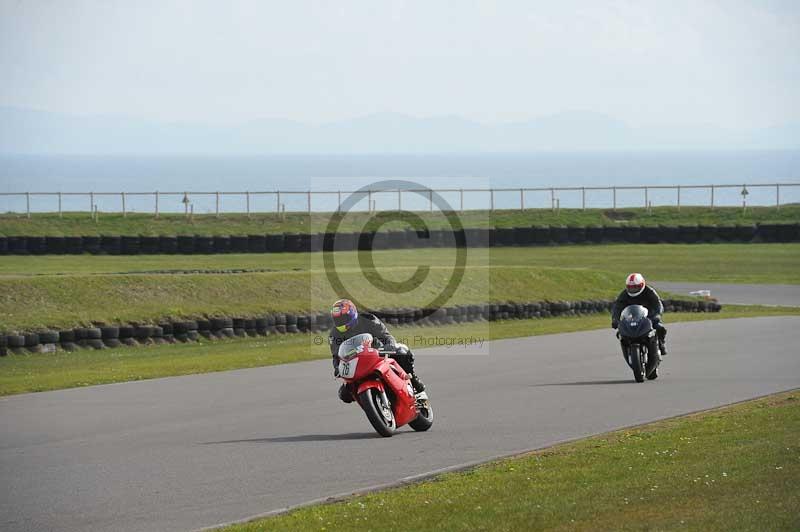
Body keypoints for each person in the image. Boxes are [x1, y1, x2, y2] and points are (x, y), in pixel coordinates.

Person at [328, 298, 425, 403]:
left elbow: (385, 336)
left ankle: (413, 381)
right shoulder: (334, 334)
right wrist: (337, 368)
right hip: (356, 364)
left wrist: (389, 345)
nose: (341, 322)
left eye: (344, 318)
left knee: (402, 352)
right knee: (344, 394)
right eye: (338, 320)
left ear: (353, 314)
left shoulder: (368, 320)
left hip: (378, 354)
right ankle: (370, 401)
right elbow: (336, 356)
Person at [611, 273, 668, 356]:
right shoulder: (624, 294)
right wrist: (615, 319)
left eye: (635, 287)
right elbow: (617, 307)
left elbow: (658, 304)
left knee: (660, 327)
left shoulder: (649, 291)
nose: (633, 289)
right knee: (620, 333)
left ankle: (661, 343)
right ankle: (627, 349)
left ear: (642, 285)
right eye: (630, 287)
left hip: (649, 317)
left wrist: (657, 315)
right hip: (631, 318)